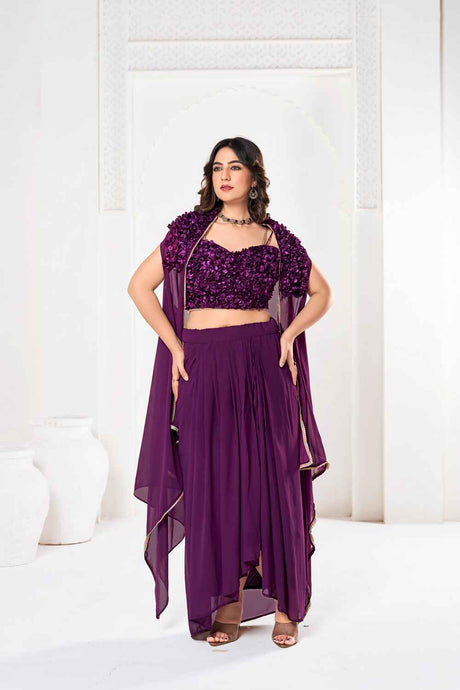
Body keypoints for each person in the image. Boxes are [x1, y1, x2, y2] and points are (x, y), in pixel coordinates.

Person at [128, 136, 334, 648]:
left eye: (235, 167)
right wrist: (175, 347)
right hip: (203, 364)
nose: (224, 175)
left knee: (273, 481)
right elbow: (138, 287)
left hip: (263, 362)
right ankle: (228, 602)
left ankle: (287, 605)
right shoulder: (189, 232)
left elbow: (321, 294)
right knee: (213, 481)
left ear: (254, 177)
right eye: (217, 167)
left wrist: (288, 334)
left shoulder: (275, 238)